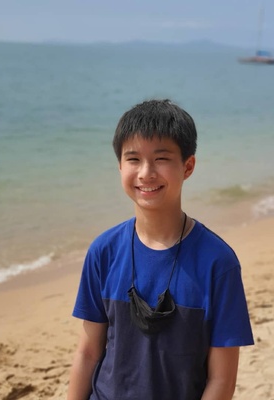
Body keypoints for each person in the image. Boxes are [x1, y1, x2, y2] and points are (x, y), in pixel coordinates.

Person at [67, 99, 254, 400]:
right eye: (133, 159)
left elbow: (221, 379)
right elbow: (88, 353)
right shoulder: (104, 251)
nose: (146, 173)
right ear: (119, 166)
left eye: (161, 158)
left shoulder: (218, 262)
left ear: (188, 166)